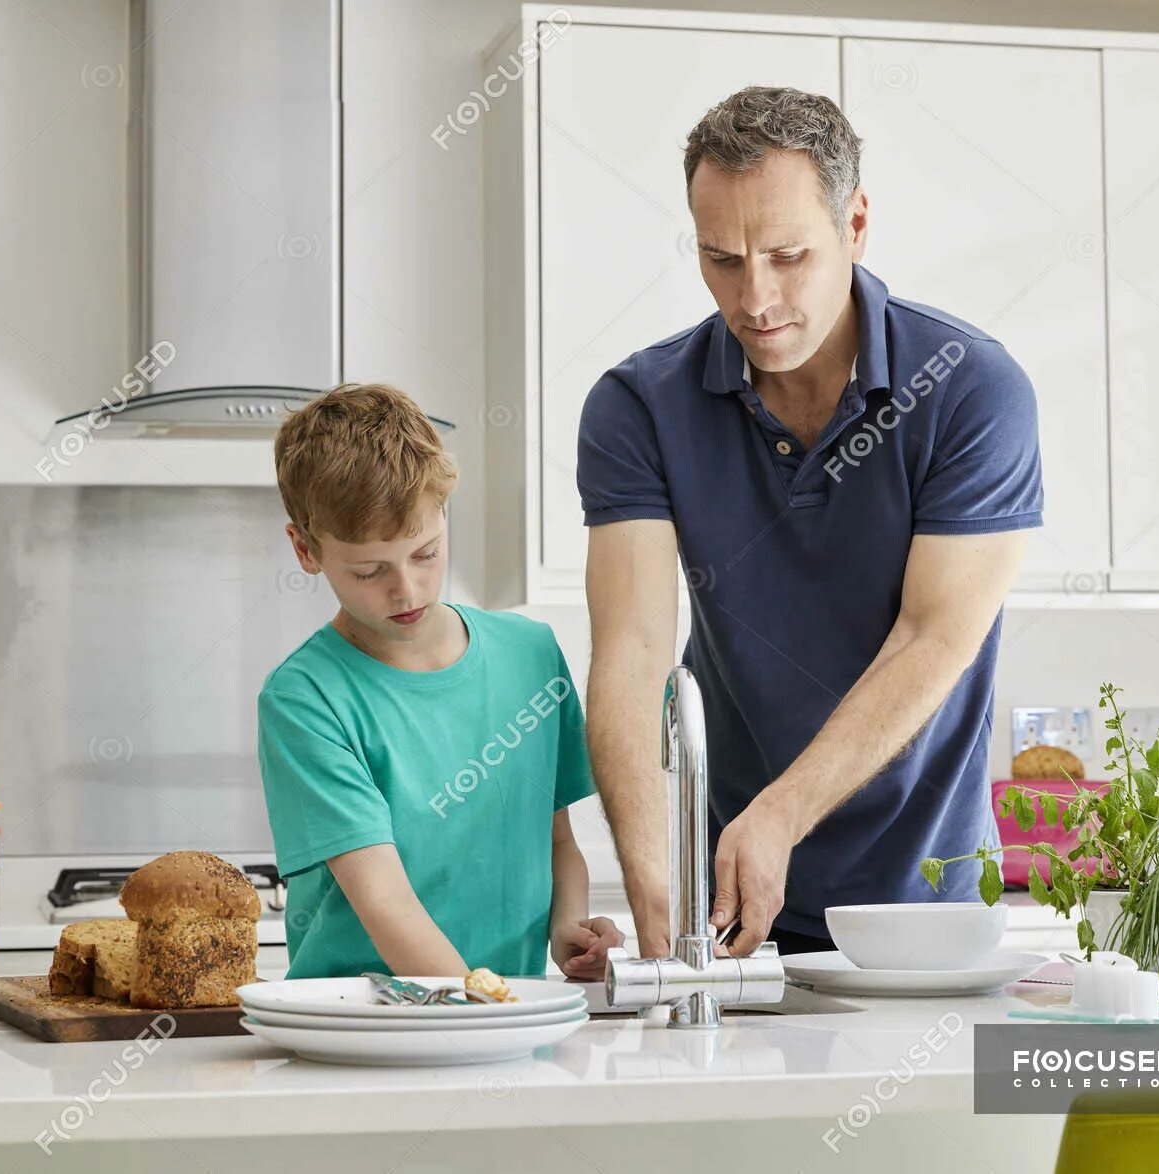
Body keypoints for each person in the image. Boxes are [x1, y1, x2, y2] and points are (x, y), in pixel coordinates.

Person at [577, 87, 1043, 960]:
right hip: (731, 903)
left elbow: (931, 638)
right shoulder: (638, 406)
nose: (754, 299)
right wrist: (654, 885)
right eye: (721, 260)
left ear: (856, 224)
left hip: (929, 904)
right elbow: (634, 651)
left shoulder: (973, 390)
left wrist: (782, 814)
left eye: (789, 256)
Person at [259, 382, 623, 979]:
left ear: (446, 514)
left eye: (424, 553)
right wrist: (486, 1009)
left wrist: (567, 930)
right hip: (366, 1028)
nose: (406, 590)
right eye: (369, 570)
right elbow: (384, 901)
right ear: (305, 549)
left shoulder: (530, 656)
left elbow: (557, 845)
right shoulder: (305, 698)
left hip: (501, 1026)